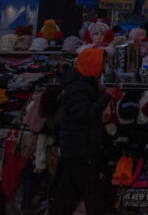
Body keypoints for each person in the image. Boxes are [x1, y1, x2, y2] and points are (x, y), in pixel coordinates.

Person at [51, 47, 112, 215]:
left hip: (76, 147)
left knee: (67, 192)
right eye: (102, 64)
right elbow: (84, 115)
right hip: (81, 147)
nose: (103, 68)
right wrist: (105, 97)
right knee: (91, 190)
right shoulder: (79, 87)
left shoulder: (79, 83)